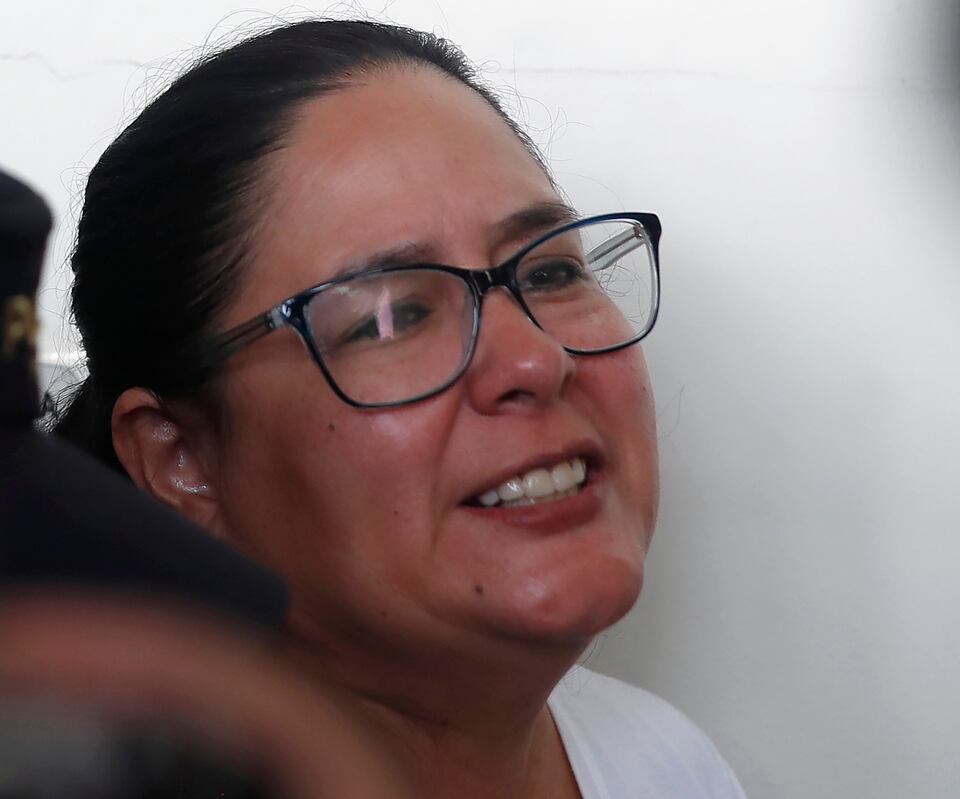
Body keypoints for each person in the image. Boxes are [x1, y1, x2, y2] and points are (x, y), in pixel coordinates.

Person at [54, 19, 747, 799]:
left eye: (551, 272)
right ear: (181, 458)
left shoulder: (664, 765)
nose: (536, 360)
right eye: (393, 317)